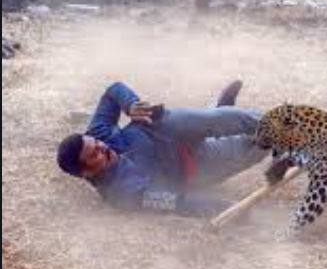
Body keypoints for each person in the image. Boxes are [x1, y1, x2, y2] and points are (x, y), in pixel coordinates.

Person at [57, 81, 286, 213]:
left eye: (98, 143)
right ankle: (220, 110)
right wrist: (227, 208)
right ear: (86, 172)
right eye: (95, 154)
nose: (103, 147)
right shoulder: (123, 192)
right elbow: (176, 202)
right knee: (254, 147)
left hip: (165, 126)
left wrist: (130, 105)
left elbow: (112, 91)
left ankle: (292, 125)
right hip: (195, 164)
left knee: (222, 118)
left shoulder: (96, 134)